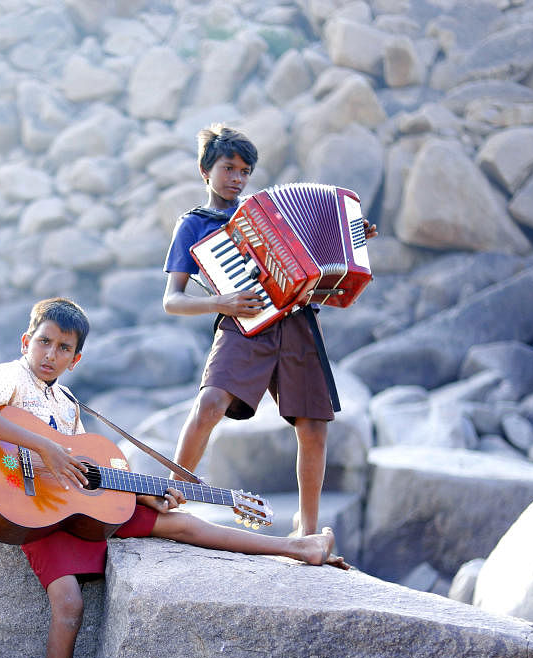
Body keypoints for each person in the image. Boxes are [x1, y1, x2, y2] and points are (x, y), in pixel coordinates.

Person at [0, 297, 347, 658]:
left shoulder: (68, 403)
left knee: (179, 523)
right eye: (44, 343)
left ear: (76, 358)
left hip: (71, 510)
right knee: (68, 602)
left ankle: (298, 548)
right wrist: (46, 448)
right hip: (32, 511)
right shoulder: (8, 377)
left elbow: (90, 469)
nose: (51, 355)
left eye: (63, 349)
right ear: (25, 341)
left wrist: (145, 493)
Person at [161, 123, 376, 540]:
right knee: (209, 404)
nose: (237, 179)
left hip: (296, 323)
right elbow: (172, 299)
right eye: (228, 168)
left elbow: (320, 264)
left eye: (245, 171)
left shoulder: (266, 212)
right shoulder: (194, 224)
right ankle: (175, 494)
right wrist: (219, 303)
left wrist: (352, 238)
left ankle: (307, 527)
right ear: (206, 171)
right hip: (243, 323)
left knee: (313, 427)